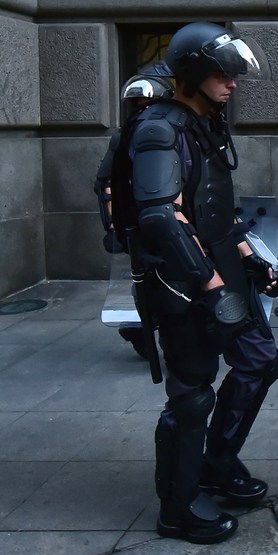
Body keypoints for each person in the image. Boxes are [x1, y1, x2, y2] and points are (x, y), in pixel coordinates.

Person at [114, 22, 278, 545]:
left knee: (261, 362)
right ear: (191, 73)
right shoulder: (159, 129)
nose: (231, 82)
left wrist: (251, 258)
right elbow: (162, 218)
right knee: (191, 396)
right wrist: (211, 287)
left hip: (221, 273)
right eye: (220, 73)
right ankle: (179, 504)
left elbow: (215, 211)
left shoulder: (202, 123)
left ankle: (216, 462)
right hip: (184, 285)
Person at [95, 62, 175, 358]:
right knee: (153, 279)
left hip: (175, 218)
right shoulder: (126, 135)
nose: (144, 107)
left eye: (150, 102)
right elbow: (106, 183)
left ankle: (149, 328)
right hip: (143, 222)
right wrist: (115, 225)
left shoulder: (177, 129)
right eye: (139, 102)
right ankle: (153, 332)